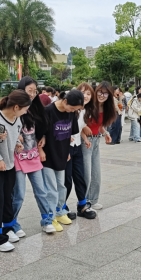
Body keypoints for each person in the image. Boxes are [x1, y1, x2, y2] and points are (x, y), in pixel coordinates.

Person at [0, 90, 29, 252]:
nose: (25, 112)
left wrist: (17, 145)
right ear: (16, 107)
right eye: (25, 109)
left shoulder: (17, 119)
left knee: (8, 197)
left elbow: (13, 137)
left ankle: (8, 227)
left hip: (9, 165)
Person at [11, 77, 57, 236]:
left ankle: (46, 220)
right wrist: (15, 137)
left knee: (41, 190)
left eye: (34, 91)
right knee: (19, 194)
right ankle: (12, 224)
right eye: (29, 90)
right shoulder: (14, 107)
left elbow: (43, 126)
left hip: (33, 155)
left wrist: (42, 138)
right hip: (18, 157)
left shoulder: (36, 107)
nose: (32, 94)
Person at [42, 90, 84, 231]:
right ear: (65, 101)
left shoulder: (71, 112)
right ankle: (50, 217)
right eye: (72, 108)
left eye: (75, 110)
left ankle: (59, 211)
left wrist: (67, 151)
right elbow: (40, 134)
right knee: (51, 189)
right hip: (48, 156)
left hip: (62, 154)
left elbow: (69, 135)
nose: (72, 111)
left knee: (62, 185)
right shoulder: (48, 111)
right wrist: (40, 150)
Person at [65, 83, 98, 221]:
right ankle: (61, 206)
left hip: (77, 146)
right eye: (83, 92)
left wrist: (84, 139)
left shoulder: (85, 110)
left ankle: (82, 205)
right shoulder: (70, 109)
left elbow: (78, 129)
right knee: (66, 179)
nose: (86, 96)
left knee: (80, 176)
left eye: (89, 94)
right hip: (66, 147)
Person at [82, 81, 115, 211]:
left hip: (96, 141)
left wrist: (106, 133)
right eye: (100, 92)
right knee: (86, 174)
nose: (102, 95)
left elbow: (99, 126)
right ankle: (83, 202)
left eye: (105, 93)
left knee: (96, 174)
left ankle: (93, 200)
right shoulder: (89, 106)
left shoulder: (106, 108)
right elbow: (78, 123)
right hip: (85, 142)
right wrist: (84, 131)